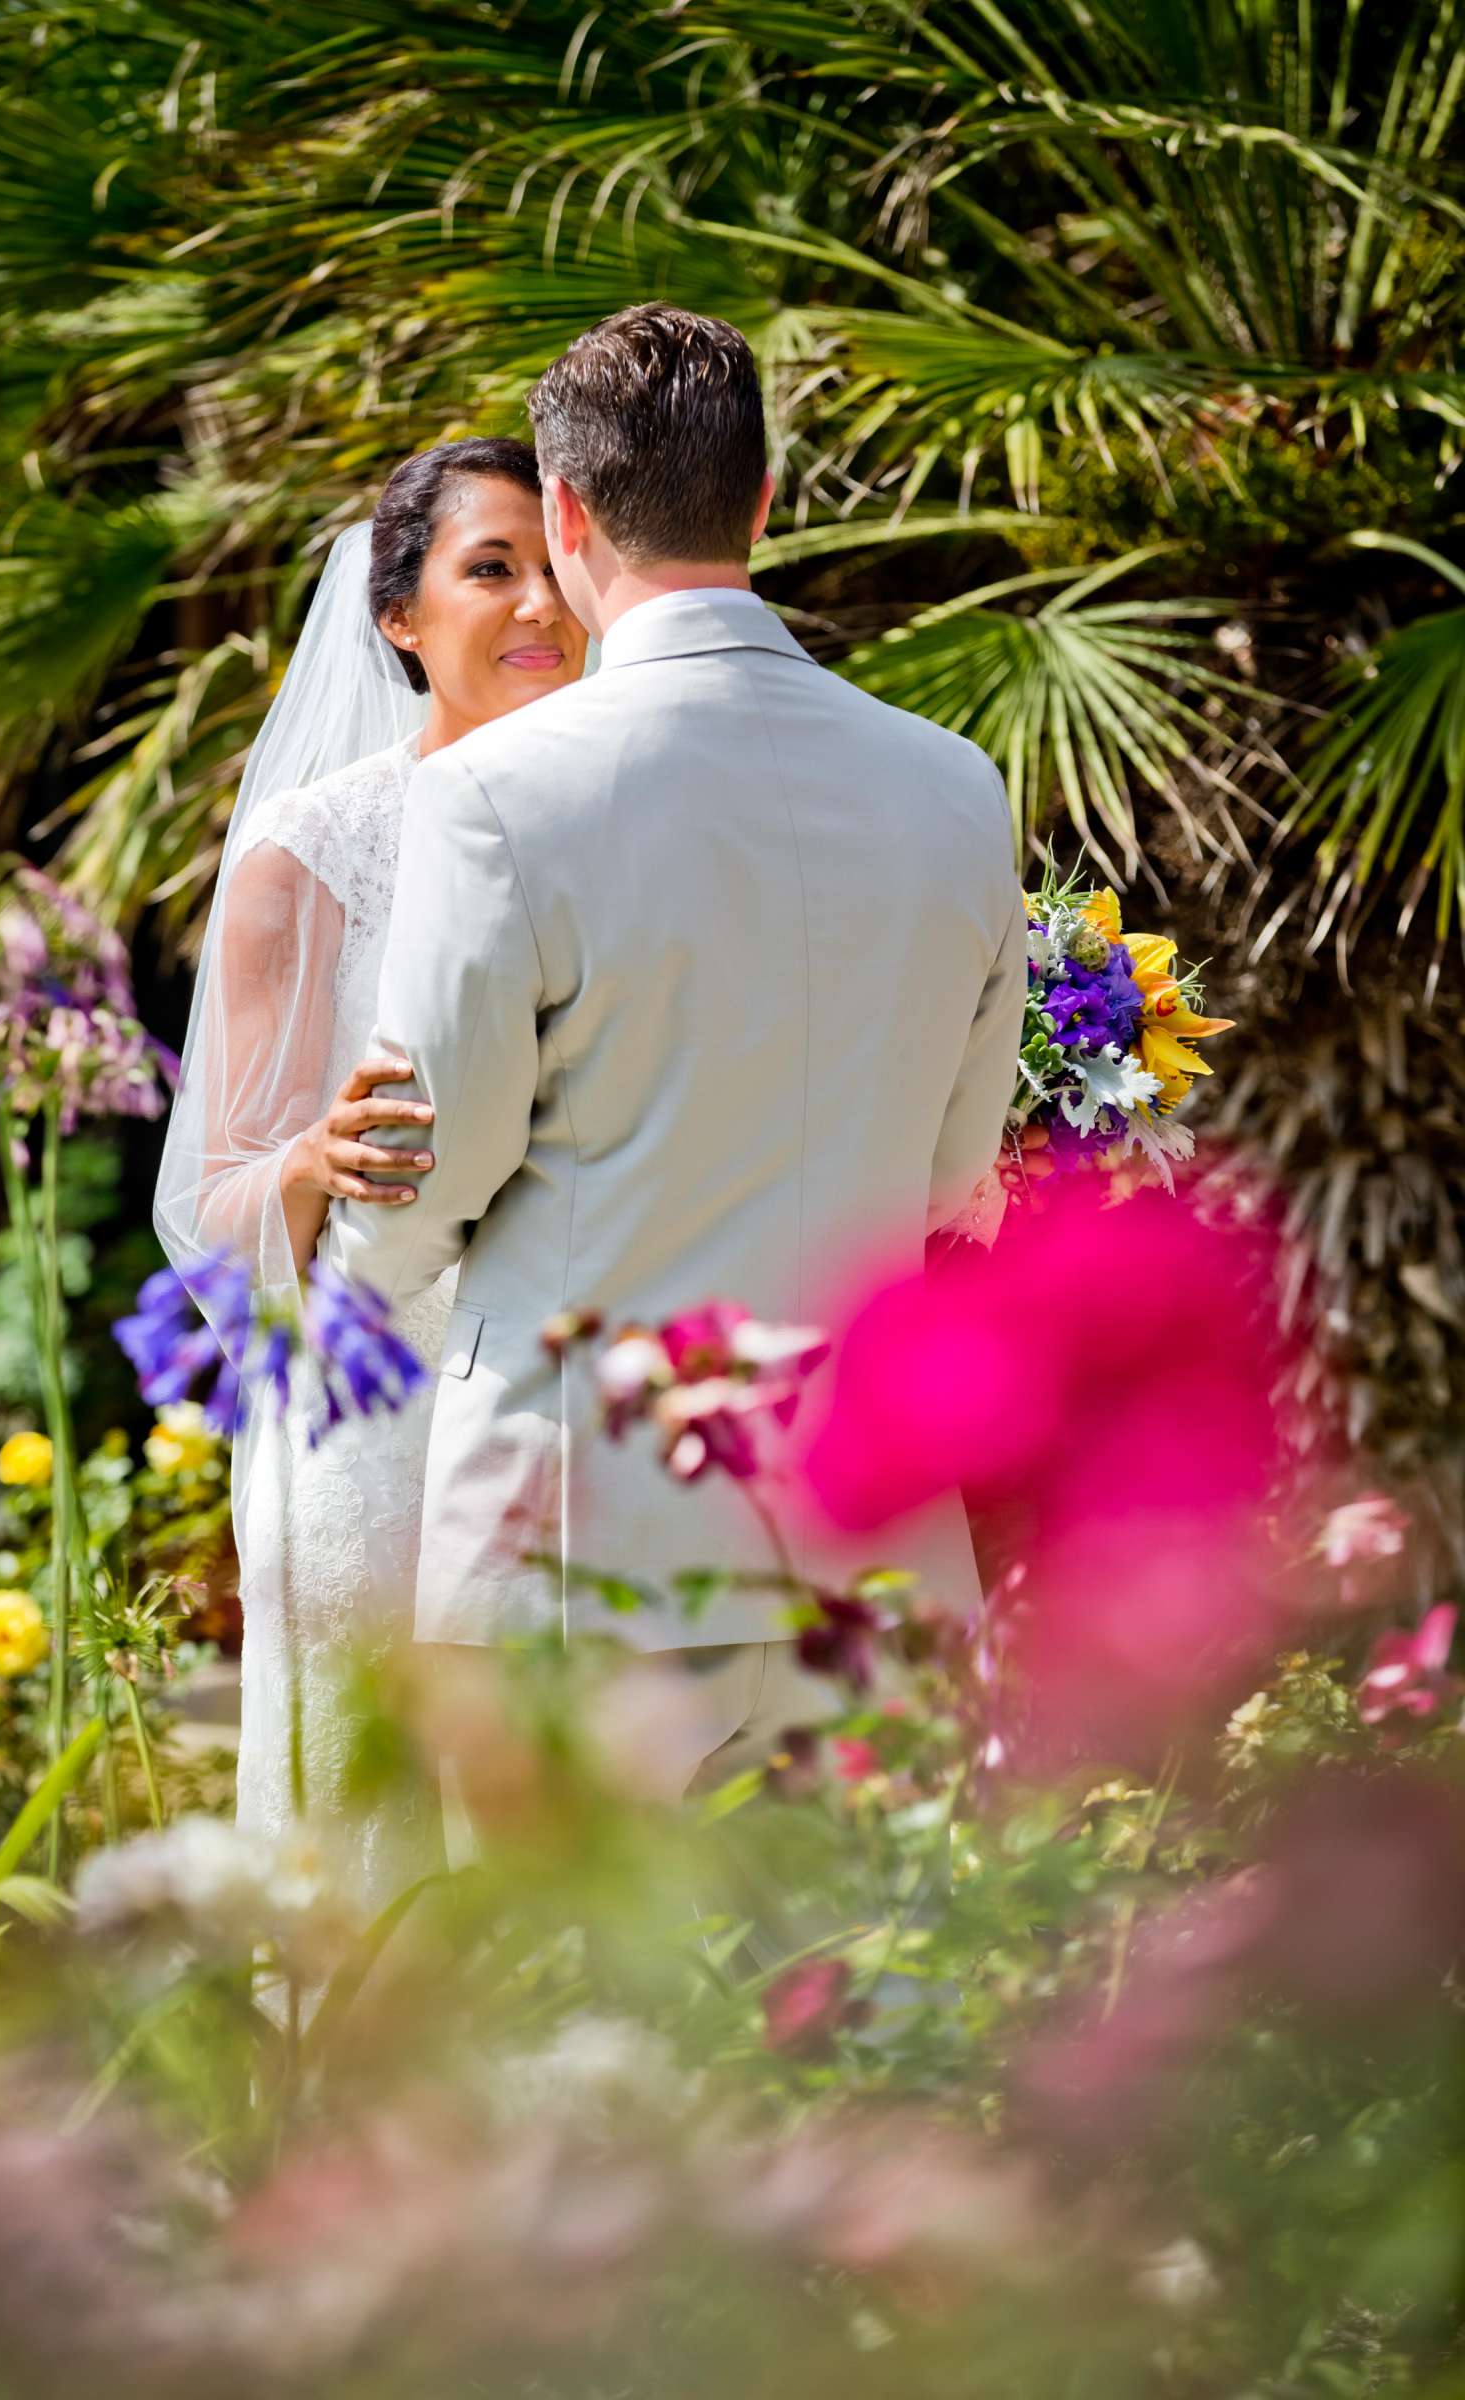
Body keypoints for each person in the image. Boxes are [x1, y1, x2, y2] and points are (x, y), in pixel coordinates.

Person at [323, 304, 1027, 1817]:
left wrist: (365, 1274)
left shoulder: (497, 797)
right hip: (875, 1546)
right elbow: (956, 1180)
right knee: (883, 2042)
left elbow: (425, 1168)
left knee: (570, 2039)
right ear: (765, 504)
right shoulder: (958, 788)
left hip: (586, 1554)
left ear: (565, 515)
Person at [153, 439, 586, 1908]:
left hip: (582, 1413)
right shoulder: (309, 853)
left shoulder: (631, 814)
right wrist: (314, 1161)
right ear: (397, 617)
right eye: (491, 569)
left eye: (555, 565)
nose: (542, 603)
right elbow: (209, 1209)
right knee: (365, 1871)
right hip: (373, 1421)